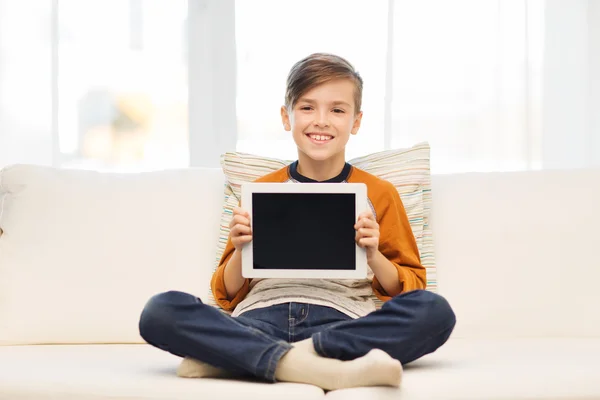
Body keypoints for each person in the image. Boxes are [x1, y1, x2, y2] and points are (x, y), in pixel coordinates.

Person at [138, 53, 456, 391]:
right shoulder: (260, 190)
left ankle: (251, 358)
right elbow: (227, 294)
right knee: (161, 311)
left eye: (337, 109)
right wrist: (240, 250)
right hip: (259, 318)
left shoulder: (379, 193)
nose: (321, 120)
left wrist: (374, 254)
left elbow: (409, 288)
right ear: (286, 117)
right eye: (307, 107)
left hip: (340, 325)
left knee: (434, 312)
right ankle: (316, 368)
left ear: (356, 121)